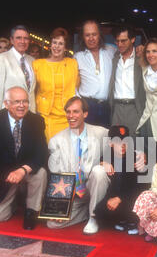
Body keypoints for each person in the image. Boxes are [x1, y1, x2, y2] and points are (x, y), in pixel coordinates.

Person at [0, 86, 48, 230]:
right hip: (3, 174)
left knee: (41, 173)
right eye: (17, 102)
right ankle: (16, 199)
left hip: (25, 170)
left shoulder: (37, 121)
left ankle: (31, 211)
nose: (22, 106)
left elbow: (41, 153)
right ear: (6, 104)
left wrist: (22, 170)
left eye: (25, 101)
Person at [47, 96, 110, 234]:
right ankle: (87, 211)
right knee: (52, 223)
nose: (71, 116)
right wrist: (59, 207)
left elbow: (122, 146)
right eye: (68, 112)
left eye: (75, 112)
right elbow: (57, 175)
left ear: (85, 114)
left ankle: (94, 218)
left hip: (94, 187)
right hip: (73, 192)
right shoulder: (56, 140)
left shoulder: (100, 133)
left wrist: (139, 154)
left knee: (99, 171)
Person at [95, 125, 143, 234]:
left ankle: (133, 220)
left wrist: (119, 198)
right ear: (110, 143)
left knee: (133, 201)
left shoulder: (135, 158)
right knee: (99, 214)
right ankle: (120, 219)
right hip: (116, 196)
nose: (122, 145)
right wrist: (103, 163)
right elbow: (99, 160)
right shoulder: (109, 155)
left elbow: (138, 187)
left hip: (131, 197)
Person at [33, 27, 79, 142]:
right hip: (46, 117)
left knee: (67, 152)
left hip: (69, 116)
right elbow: (31, 90)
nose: (57, 46)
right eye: (54, 42)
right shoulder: (38, 64)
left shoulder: (72, 64)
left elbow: (78, 86)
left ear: (65, 47)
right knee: (49, 151)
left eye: (60, 44)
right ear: (50, 44)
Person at [74, 20, 116, 127]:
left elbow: (127, 55)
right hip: (87, 106)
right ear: (83, 37)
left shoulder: (112, 51)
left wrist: (140, 50)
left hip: (107, 106)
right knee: (87, 140)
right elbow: (72, 83)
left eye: (94, 34)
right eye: (87, 35)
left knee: (104, 140)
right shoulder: (77, 57)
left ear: (99, 35)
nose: (91, 38)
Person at [0, 25, 36, 114]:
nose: (22, 41)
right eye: (18, 38)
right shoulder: (2, 58)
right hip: (8, 114)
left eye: (26, 38)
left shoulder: (32, 61)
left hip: (29, 115)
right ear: (12, 40)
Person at [108, 25, 146, 138]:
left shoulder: (142, 57)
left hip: (135, 107)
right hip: (117, 108)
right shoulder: (114, 57)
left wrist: (143, 50)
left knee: (137, 144)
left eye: (123, 41)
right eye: (117, 41)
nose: (119, 44)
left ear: (133, 39)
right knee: (116, 145)